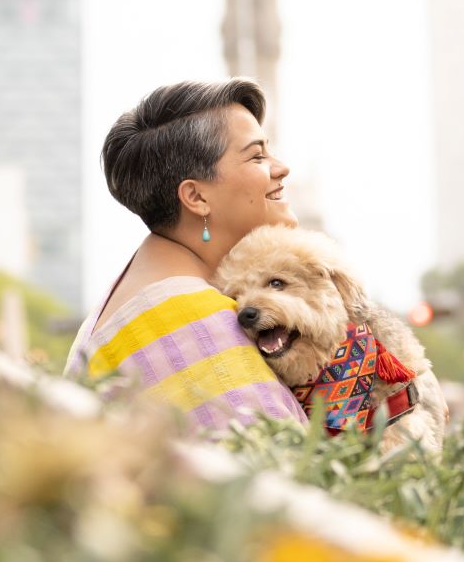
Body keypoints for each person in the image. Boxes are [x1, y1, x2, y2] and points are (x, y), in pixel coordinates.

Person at [65, 79, 308, 430]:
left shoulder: (137, 296)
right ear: (195, 197)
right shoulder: (200, 324)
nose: (281, 167)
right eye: (257, 155)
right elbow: (285, 471)